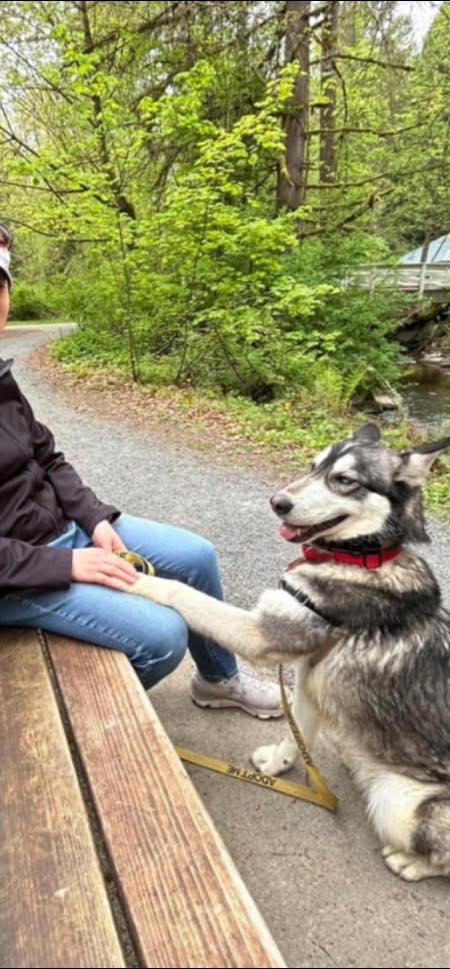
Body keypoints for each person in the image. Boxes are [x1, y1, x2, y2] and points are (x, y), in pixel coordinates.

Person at [0, 223, 281, 718]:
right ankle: (78, 727)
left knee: (195, 556)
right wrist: (66, 566)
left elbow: (48, 457)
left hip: (62, 532)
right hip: (16, 578)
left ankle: (219, 679)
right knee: (161, 637)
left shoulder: (0, 379)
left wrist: (95, 521)